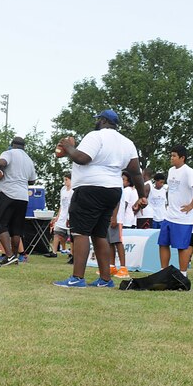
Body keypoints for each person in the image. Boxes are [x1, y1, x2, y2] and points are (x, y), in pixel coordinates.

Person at [53, 109, 146, 288]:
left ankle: (77, 278)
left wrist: (68, 146)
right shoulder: (127, 142)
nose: (96, 122)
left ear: (103, 120)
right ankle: (105, 279)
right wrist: (142, 196)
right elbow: (135, 171)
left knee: (80, 232)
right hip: (113, 190)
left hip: (90, 189)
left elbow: (82, 158)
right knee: (99, 234)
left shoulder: (95, 136)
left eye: (98, 119)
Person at [0, 136, 37, 265]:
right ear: (24, 146)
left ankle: (9, 256)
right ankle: (14, 256)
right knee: (16, 229)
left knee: (0, 225)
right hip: (22, 197)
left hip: (7, 193)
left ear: (12, 144)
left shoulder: (8, 153)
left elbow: (0, 163)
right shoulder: (29, 160)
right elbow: (32, 180)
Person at [159, 145, 193, 278]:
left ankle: (183, 275)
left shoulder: (188, 171)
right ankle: (163, 272)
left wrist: (191, 205)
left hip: (183, 217)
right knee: (163, 243)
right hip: (169, 216)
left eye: (174, 156)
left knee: (182, 247)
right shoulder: (171, 170)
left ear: (182, 158)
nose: (171, 158)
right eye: (171, 155)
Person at [111, 171, 138, 279]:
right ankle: (111, 266)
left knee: (118, 242)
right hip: (115, 217)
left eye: (124, 179)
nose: (121, 181)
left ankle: (123, 268)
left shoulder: (126, 190)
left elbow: (121, 204)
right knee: (110, 243)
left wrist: (115, 218)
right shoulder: (123, 189)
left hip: (119, 219)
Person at [45, 173, 73, 258]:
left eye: (66, 180)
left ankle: (72, 253)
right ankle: (54, 252)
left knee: (72, 235)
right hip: (62, 214)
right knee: (57, 232)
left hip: (71, 215)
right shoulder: (63, 189)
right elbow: (61, 204)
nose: (65, 182)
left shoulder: (74, 190)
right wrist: (58, 215)